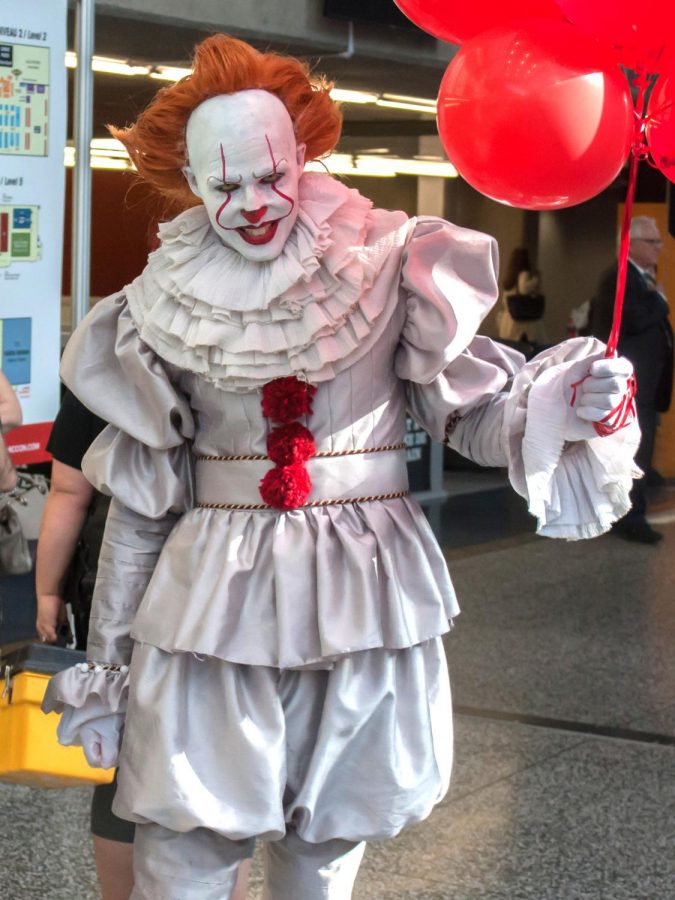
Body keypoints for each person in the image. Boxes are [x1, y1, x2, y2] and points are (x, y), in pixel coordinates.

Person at [42, 35, 638, 899]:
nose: (251, 203)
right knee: (184, 853)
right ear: (193, 182)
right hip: (212, 601)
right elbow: (140, 505)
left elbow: (465, 414)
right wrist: (109, 674)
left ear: (301, 153)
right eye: (224, 184)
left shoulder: (388, 259)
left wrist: (564, 407)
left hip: (364, 590)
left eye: (268, 175)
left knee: (324, 856)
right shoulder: (159, 303)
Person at [34, 389, 253, 900]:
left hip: (121, 591)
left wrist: (47, 591)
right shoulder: (249, 355)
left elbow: (68, 492)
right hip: (225, 585)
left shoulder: (109, 358)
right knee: (222, 751)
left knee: (123, 754)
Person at [590, 215, 674, 544]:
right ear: (633, 244)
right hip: (631, 386)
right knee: (631, 452)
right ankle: (630, 517)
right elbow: (632, 320)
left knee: (638, 452)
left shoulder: (642, 277)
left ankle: (629, 511)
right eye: (652, 242)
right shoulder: (620, 277)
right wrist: (661, 301)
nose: (658, 248)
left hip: (646, 386)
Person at [497, 247, 547, 346]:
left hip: (509, 319)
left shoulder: (510, 276)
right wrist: (536, 279)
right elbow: (524, 289)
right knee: (526, 348)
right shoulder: (524, 273)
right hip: (521, 323)